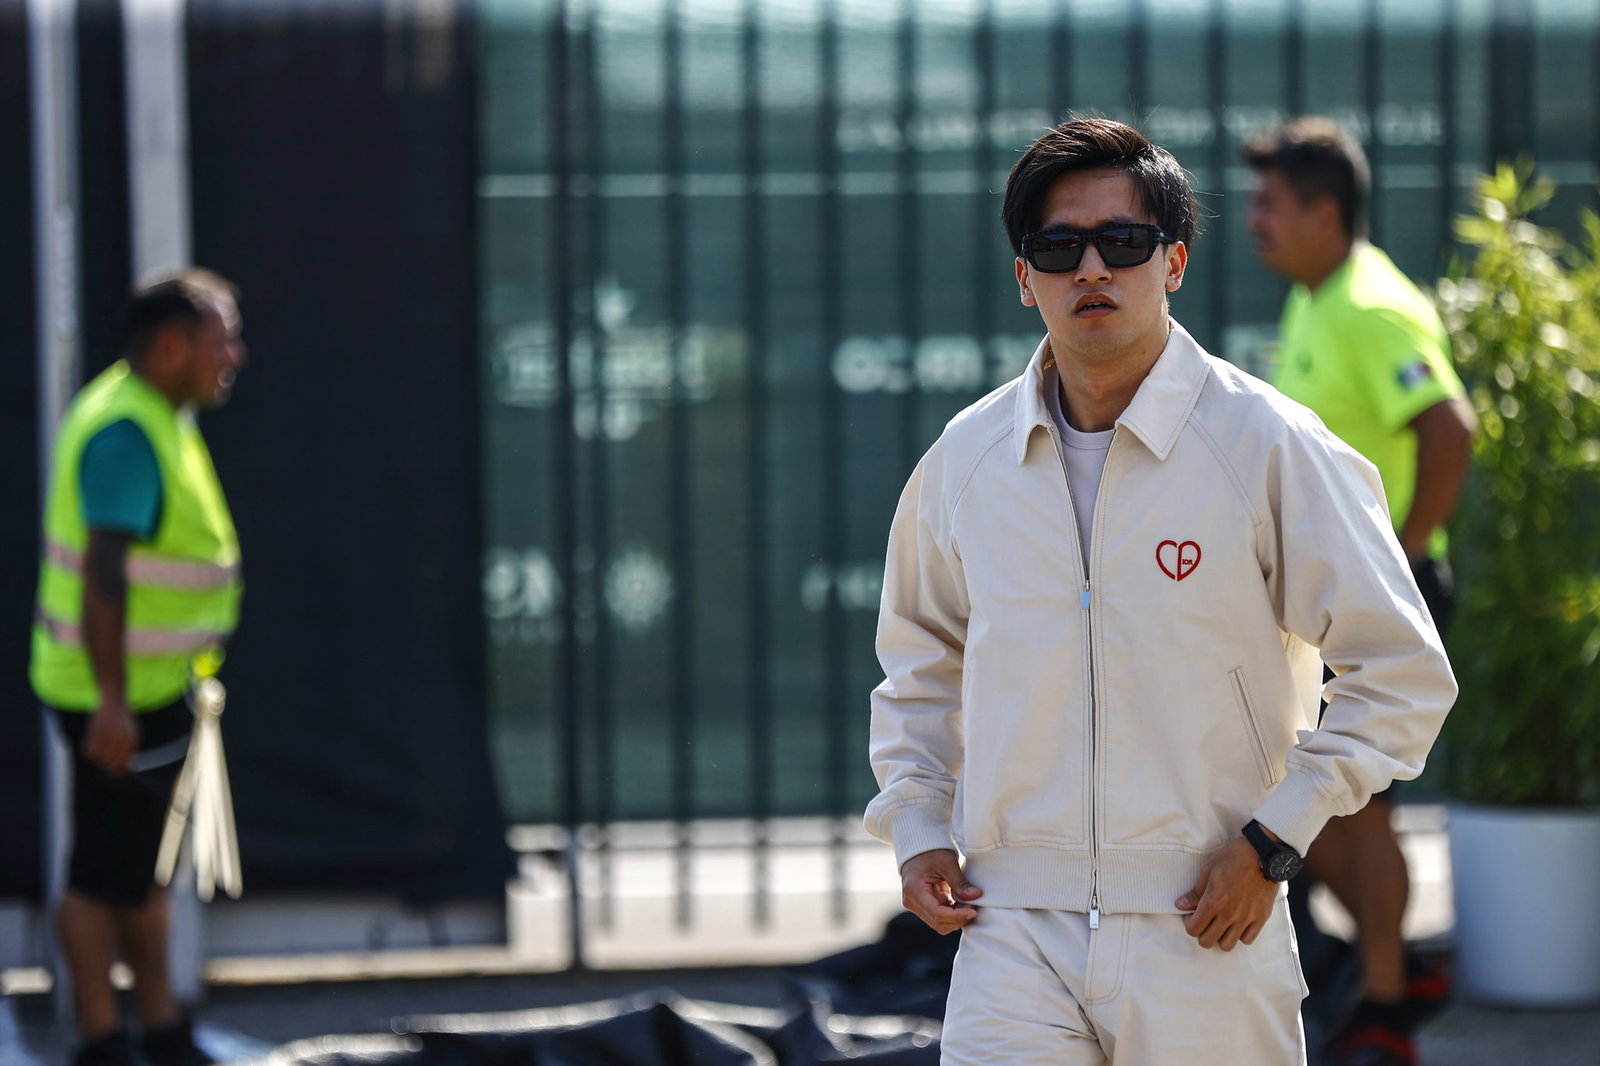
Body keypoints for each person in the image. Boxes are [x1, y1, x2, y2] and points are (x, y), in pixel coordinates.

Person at [864, 117, 1457, 1066]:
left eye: (1124, 243)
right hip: (1010, 927)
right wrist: (918, 824)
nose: (1091, 267)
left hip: (1207, 920)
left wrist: (1275, 843)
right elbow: (919, 664)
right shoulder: (964, 462)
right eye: (1059, 248)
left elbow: (1404, 675)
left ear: (1173, 262)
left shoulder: (1267, 445)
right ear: (1025, 279)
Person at [1244, 116, 1476, 1066]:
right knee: (1321, 804)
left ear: (1324, 212)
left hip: (1376, 597)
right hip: (1328, 603)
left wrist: (1406, 559)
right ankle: (1398, 969)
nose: (1253, 220)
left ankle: (1385, 1002)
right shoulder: (1316, 298)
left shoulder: (1371, 306)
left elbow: (1449, 427)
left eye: (1270, 203)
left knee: (1354, 804)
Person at [31, 269, 247, 1066]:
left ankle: (156, 1030)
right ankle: (100, 1040)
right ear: (170, 346)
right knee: (102, 875)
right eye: (222, 336)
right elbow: (104, 574)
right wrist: (114, 703)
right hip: (113, 698)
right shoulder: (126, 432)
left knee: (140, 870)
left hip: (147, 690)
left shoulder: (155, 415)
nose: (235, 354)